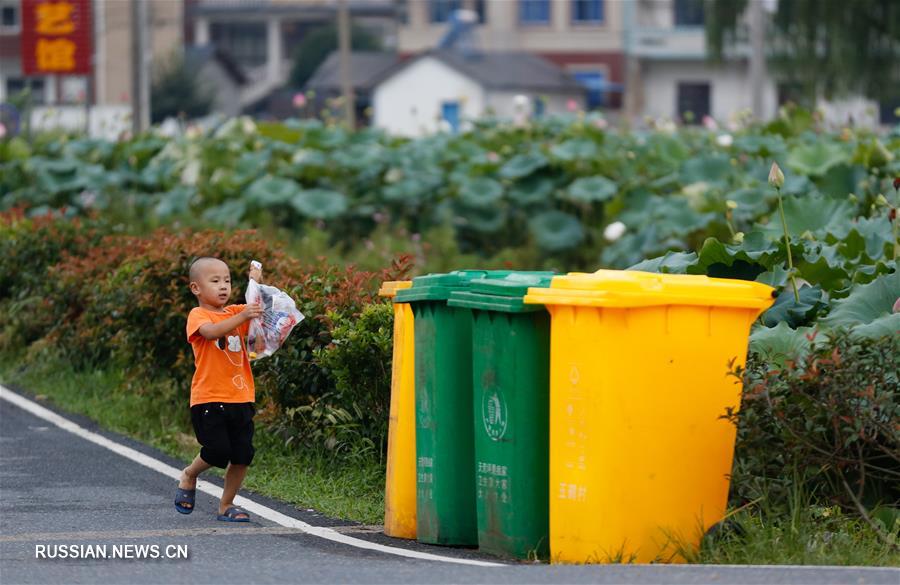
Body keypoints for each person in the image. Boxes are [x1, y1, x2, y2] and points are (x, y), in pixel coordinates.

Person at [174, 257, 264, 522]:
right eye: (215, 281)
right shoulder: (198, 315)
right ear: (196, 289)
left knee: (243, 454)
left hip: (241, 396)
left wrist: (255, 282)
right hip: (209, 399)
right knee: (217, 451)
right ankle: (190, 474)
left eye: (227, 280)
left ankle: (226, 505)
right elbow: (212, 333)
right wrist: (242, 315)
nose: (223, 286)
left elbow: (255, 314)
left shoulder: (236, 311)